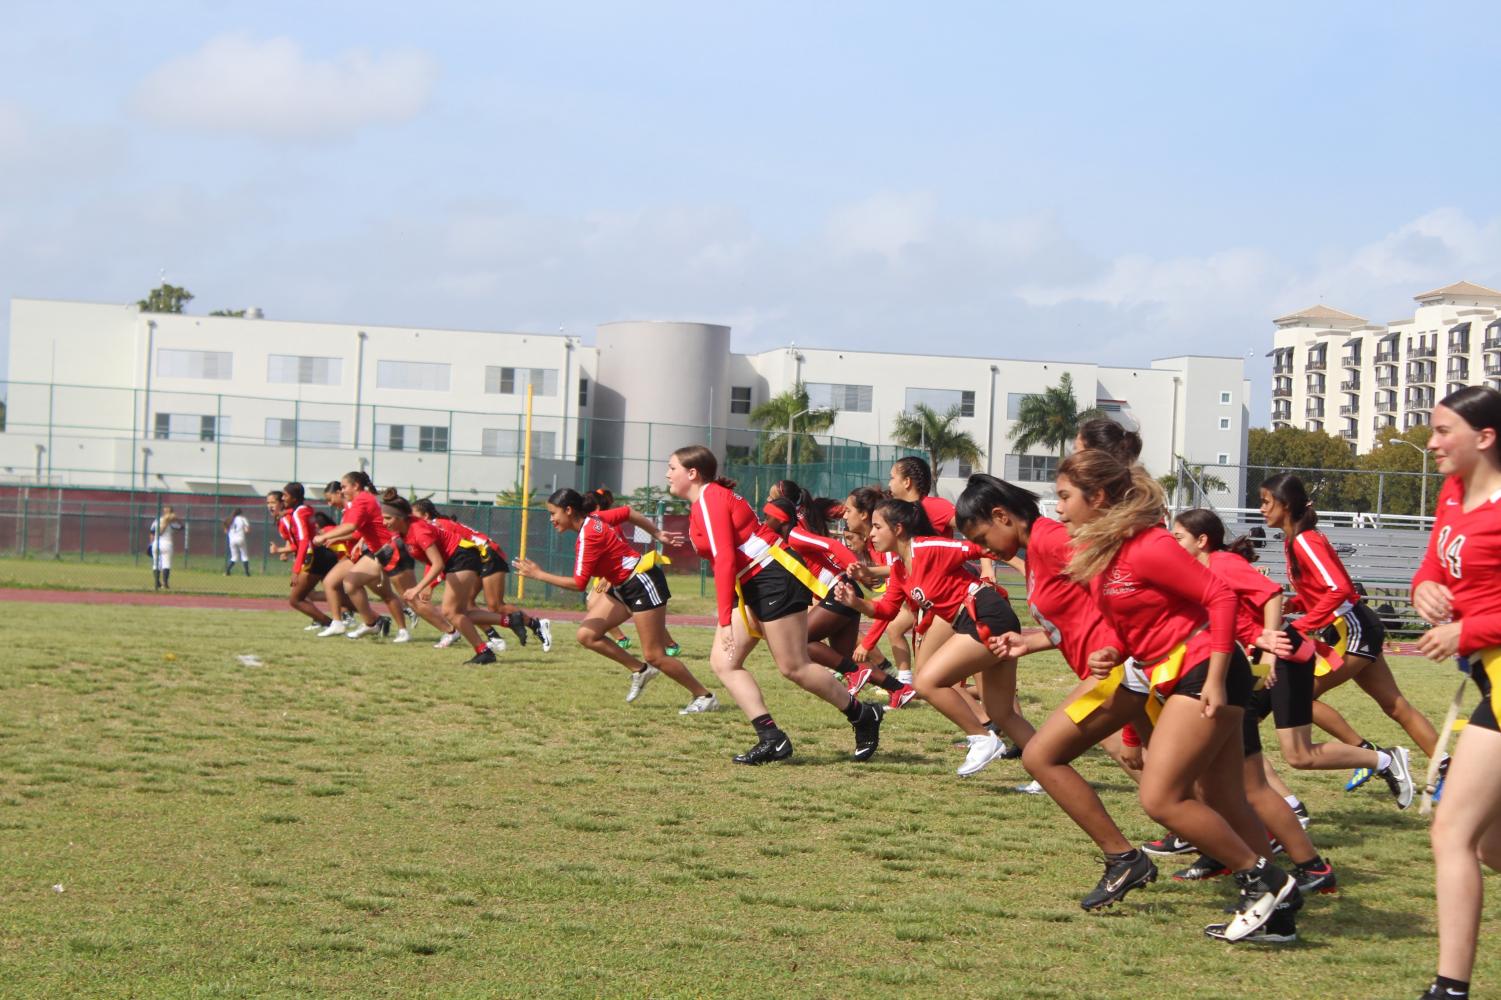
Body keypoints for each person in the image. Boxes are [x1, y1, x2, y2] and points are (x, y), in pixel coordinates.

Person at [1058, 448, 1299, 942]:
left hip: (1205, 672)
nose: (1058, 507)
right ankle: (1284, 902)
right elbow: (1148, 621)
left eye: (1064, 496)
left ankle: (1262, 879)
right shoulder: (1111, 552)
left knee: (1161, 797)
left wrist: (1212, 679)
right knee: (1227, 798)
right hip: (1190, 673)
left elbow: (1221, 597)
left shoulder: (1149, 544)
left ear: (1097, 496)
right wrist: (1113, 651)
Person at [961, 473, 1157, 909]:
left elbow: (1119, 579)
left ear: (1002, 516)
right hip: (1116, 672)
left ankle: (1125, 857)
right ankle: (1252, 852)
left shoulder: (1049, 540)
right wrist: (1028, 641)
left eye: (982, 536)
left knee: (1040, 756)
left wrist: (1124, 646)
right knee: (1164, 776)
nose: (983, 550)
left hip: (1119, 672)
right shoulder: (1037, 550)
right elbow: (1071, 618)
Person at [667, 445, 884, 764]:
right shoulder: (707, 499)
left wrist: (725, 618)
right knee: (724, 662)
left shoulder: (709, 499)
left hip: (770, 578)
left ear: (692, 473)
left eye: (672, 467)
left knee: (794, 666)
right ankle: (772, 738)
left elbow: (726, 558)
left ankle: (863, 715)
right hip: (756, 581)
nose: (667, 473)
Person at [1261, 473, 1441, 786]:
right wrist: (1297, 603)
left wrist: (1302, 624)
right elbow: (1325, 589)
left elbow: (1340, 588)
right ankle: (1447, 770)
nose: (1261, 509)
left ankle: (1368, 753)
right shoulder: (1295, 540)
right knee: (1394, 705)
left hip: (1352, 628)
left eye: (1265, 502)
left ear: (1286, 505)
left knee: (1301, 698)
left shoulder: (1304, 540)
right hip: (1349, 626)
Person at [1410, 387, 1501, 1000]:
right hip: (1487, 673)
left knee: (1452, 832)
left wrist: (1465, 628)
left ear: (1485, 437)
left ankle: (1449, 990)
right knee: (1490, 844)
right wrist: (1423, 592)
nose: (1433, 443)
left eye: (1445, 431)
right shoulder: (1450, 491)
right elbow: (1432, 568)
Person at [836, 497, 1033, 777]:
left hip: (986, 614)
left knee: (926, 682)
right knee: (1002, 712)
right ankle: (1046, 768)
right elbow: (885, 610)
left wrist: (1027, 565)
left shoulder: (929, 547)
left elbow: (981, 546)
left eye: (878, 527)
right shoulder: (901, 570)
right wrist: (854, 603)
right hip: (975, 619)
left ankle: (983, 740)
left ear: (899, 529)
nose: (872, 534)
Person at [512, 488, 715, 712]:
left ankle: (704, 696)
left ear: (568, 511)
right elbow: (628, 512)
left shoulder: (588, 535)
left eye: (553, 513)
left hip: (641, 583)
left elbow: (578, 583)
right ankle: (640, 670)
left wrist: (539, 575)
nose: (551, 519)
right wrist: (656, 533)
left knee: (655, 655)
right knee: (587, 635)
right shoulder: (594, 520)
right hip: (622, 586)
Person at [381, 494, 504, 665]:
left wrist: (419, 588)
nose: (384, 522)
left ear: (401, 518)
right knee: (458, 611)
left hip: (462, 556)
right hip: (456, 560)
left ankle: (487, 647)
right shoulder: (404, 530)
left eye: (387, 518)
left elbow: (437, 563)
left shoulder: (419, 530)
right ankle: (498, 636)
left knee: (453, 611)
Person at [311, 471, 412, 642]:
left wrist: (325, 536)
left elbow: (352, 527)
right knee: (341, 583)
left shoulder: (362, 500)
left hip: (384, 550)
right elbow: (359, 529)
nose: (341, 491)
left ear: (355, 486)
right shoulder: (358, 501)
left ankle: (374, 623)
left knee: (412, 599)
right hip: (372, 551)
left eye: (343, 487)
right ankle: (367, 623)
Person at [281, 483, 342, 631]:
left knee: (296, 599)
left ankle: (329, 623)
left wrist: (296, 569)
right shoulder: (305, 509)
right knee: (334, 590)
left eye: (285, 495)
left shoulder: (297, 514)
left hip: (316, 556)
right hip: (322, 553)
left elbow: (304, 541)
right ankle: (372, 619)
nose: (283, 498)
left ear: (294, 498)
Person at [149, 504, 180, 590]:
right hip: (166, 543)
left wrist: (151, 544)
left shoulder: (157, 521)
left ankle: (156, 582)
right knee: (166, 563)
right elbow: (181, 527)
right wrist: (177, 519)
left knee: (156, 563)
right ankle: (165, 583)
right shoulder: (172, 523)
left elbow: (152, 532)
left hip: (156, 543)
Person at [224, 508, 251, 576]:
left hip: (232, 540)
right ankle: (247, 573)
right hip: (240, 538)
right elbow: (248, 530)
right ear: (241, 513)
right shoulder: (242, 519)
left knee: (234, 557)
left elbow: (225, 531)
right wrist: (243, 530)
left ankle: (227, 571)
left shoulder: (230, 519)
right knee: (244, 555)